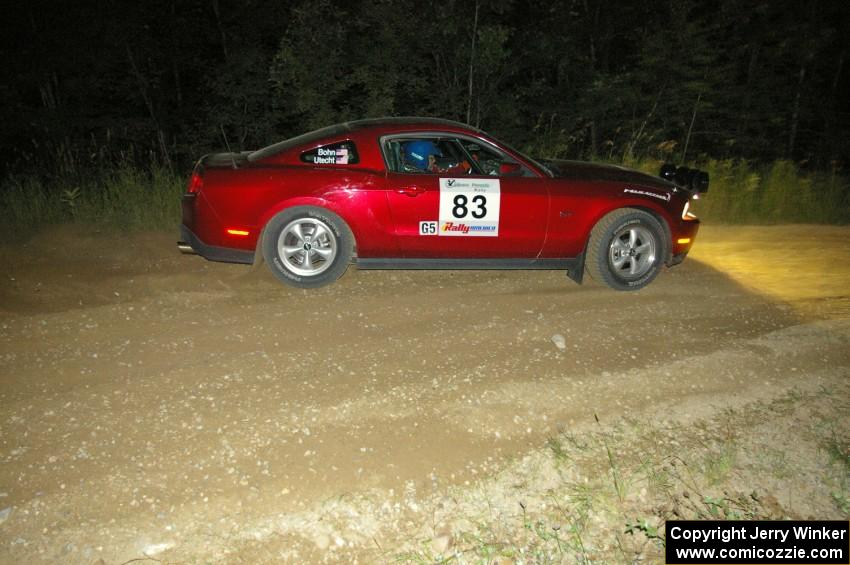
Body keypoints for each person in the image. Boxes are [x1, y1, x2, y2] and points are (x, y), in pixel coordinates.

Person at [401, 140, 470, 174]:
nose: (434, 160)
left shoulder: (422, 169)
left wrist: (463, 166)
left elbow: (444, 172)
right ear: (420, 159)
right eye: (431, 158)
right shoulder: (420, 176)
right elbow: (445, 175)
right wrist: (466, 165)